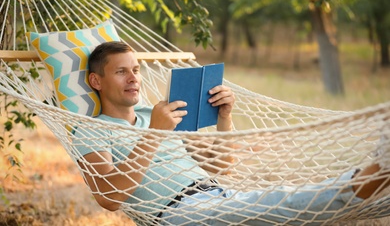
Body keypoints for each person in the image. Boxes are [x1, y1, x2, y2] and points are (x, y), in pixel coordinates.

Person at [73, 41, 390, 225]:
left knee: (278, 199)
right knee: (283, 204)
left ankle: (373, 180)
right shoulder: (92, 132)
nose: (134, 78)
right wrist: (155, 134)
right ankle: (373, 176)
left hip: (217, 195)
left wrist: (225, 119)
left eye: (137, 70)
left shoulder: (155, 114)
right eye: (121, 71)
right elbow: (109, 197)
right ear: (96, 82)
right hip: (179, 213)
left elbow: (221, 166)